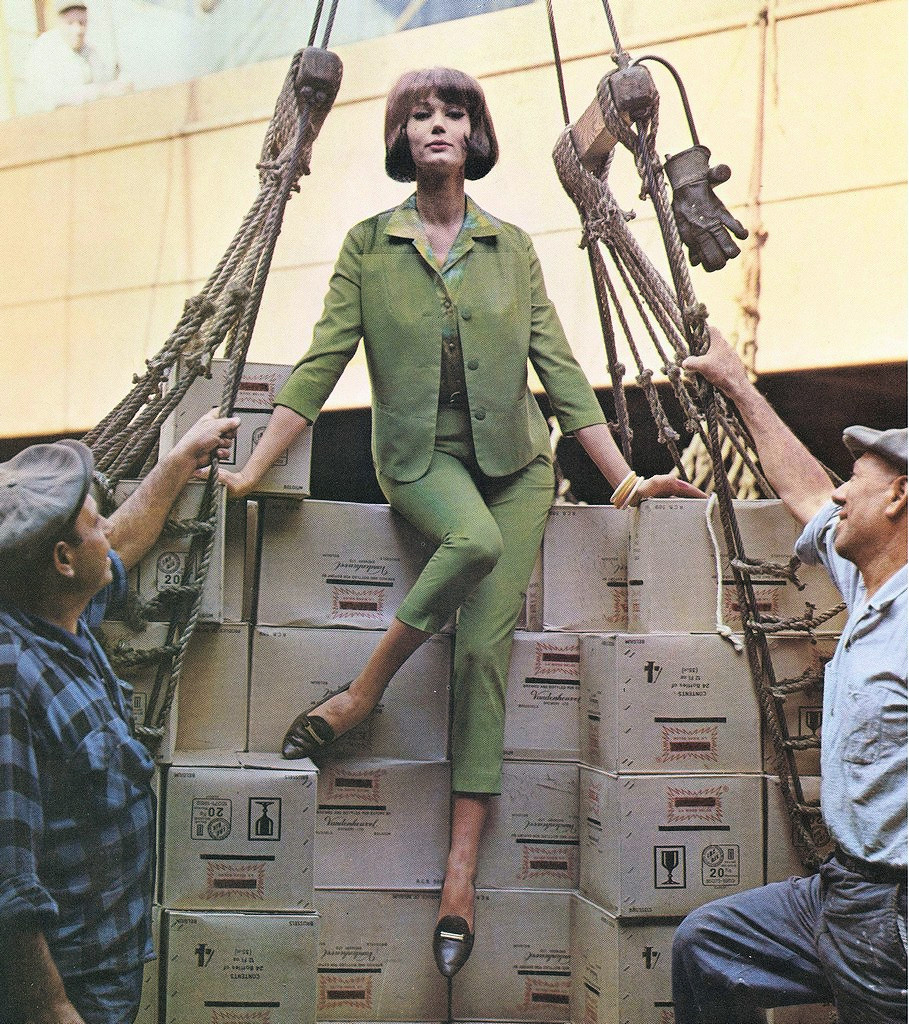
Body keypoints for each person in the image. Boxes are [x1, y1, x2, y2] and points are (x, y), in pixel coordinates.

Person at [217, 65, 703, 979]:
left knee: (482, 653)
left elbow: (561, 376)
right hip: (419, 463)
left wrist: (626, 484)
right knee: (469, 541)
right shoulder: (369, 246)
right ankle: (360, 695)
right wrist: (250, 469)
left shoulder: (511, 247)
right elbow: (320, 367)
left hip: (517, 468)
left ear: (474, 135)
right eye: (418, 114)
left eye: (453, 113)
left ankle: (458, 878)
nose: (436, 125)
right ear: (400, 138)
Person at [672, 326, 907, 1024]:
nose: (838, 498)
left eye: (854, 485)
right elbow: (806, 490)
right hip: (839, 892)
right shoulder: (867, 582)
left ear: (898, 497)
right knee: (706, 947)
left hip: (893, 914)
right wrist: (737, 385)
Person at [0, 410, 239, 1024]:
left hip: (111, 964)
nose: (107, 527)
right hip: (68, 990)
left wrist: (179, 460)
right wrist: (55, 1008)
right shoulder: (11, 680)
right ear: (62, 559)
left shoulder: (59, 616)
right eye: (94, 522)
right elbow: (7, 885)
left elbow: (122, 542)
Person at [23, 1, 131, 115]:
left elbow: (106, 82)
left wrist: (119, 86)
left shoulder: (89, 51)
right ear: (59, 23)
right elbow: (56, 97)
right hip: (47, 119)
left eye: (82, 23)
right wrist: (101, 91)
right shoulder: (45, 48)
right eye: (70, 23)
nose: (78, 30)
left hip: (84, 117)